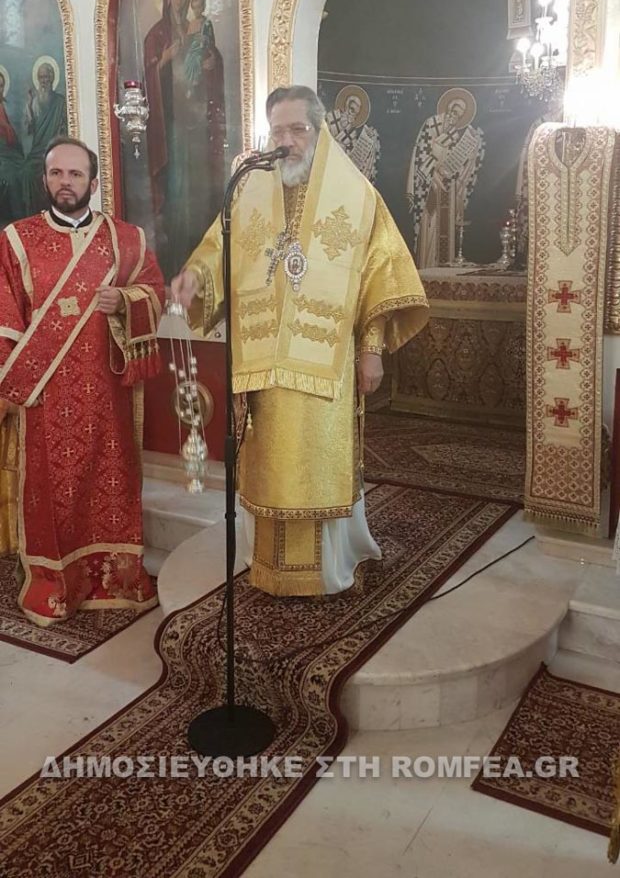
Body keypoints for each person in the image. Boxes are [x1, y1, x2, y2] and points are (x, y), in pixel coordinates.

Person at [171, 86, 429, 597]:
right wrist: (196, 277)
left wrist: (371, 349)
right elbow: (217, 246)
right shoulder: (249, 189)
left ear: (319, 130)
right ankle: (266, 564)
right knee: (268, 461)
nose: (286, 141)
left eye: (297, 129)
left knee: (315, 461)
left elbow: (379, 276)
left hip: (325, 364)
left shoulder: (356, 195)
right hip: (263, 359)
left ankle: (326, 567)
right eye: (278, 131)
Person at [0, 136, 164, 626]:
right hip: (45, 397)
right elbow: (5, 317)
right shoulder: (17, 240)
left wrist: (127, 300)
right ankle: (54, 585)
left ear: (93, 183)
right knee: (52, 495)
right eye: (56, 173)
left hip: (108, 394)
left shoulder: (126, 239)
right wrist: (11, 384)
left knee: (110, 486)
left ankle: (117, 578)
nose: (65, 182)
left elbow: (154, 291)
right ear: (44, 179)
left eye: (75, 174)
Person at [144, 0, 226, 278]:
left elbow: (211, 60)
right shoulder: (157, 34)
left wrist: (212, 64)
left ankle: (202, 260)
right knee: (178, 188)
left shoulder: (199, 28)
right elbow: (147, 76)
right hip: (172, 126)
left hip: (197, 120)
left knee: (200, 186)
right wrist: (164, 59)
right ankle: (176, 256)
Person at [406, 88, 484, 267]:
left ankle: (443, 267)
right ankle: (425, 266)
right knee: (428, 225)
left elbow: (465, 166)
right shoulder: (431, 124)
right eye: (454, 110)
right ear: (448, 107)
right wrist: (433, 173)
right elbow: (420, 153)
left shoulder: (463, 134)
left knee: (445, 228)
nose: (455, 116)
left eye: (460, 114)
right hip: (428, 186)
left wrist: (472, 149)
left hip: (449, 189)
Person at [24, 61, 68, 214]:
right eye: (41, 77)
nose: (44, 81)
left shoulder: (60, 102)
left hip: (55, 150)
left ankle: (56, 211)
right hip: (37, 151)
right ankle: (33, 213)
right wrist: (29, 107)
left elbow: (65, 128)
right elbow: (29, 130)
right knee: (27, 172)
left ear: (52, 78)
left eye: (47, 77)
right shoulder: (34, 102)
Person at [0, 68, 24, 223]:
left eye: (1, 85)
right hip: (2, 156)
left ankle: (20, 221)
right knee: (11, 176)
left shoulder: (8, 107)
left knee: (24, 173)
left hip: (11, 154)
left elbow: (16, 136)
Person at [184, 0, 216, 97]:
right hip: (193, 47)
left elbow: (211, 39)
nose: (197, 11)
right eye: (194, 8)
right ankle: (189, 85)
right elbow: (188, 38)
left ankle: (195, 80)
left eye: (199, 7)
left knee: (197, 59)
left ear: (203, 7)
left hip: (202, 47)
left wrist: (205, 39)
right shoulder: (192, 23)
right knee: (188, 60)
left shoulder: (207, 23)